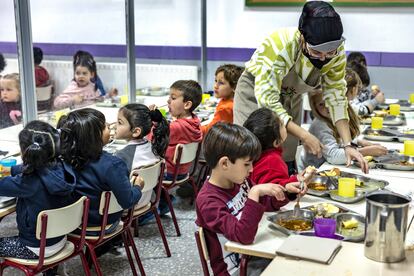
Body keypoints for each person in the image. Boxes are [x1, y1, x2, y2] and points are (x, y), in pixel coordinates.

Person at [232, 1, 368, 174]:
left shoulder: (336, 49)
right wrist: (304, 135)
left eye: (330, 53)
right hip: (255, 93)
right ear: (302, 37)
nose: (323, 58)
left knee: (287, 149)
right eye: (316, 52)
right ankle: (252, 193)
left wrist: (348, 145)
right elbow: (268, 101)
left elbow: (336, 98)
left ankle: (285, 188)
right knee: (253, 148)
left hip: (291, 94)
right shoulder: (282, 44)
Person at [196, 123, 288, 275]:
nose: (251, 169)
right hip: (234, 269)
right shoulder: (208, 201)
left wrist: (286, 192)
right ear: (225, 163)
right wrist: (254, 192)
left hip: (252, 254)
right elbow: (243, 236)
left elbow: (265, 205)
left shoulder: (239, 181)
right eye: (246, 164)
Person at [0, 120, 76, 259]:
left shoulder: (27, 181)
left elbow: (3, 186)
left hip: (35, 247)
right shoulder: (63, 166)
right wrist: (11, 170)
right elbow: (40, 169)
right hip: (60, 239)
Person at [57, 108, 143, 231]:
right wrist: (138, 187)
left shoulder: (64, 160)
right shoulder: (113, 165)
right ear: (94, 136)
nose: (109, 127)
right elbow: (128, 201)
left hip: (69, 224)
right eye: (104, 127)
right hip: (101, 224)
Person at [244, 107, 315, 211]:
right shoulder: (272, 161)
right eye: (281, 124)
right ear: (276, 142)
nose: (283, 122)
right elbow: (272, 196)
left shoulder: (254, 155)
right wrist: (287, 191)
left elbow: (275, 182)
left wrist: (295, 180)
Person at [299, 90, 388, 170]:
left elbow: (339, 140)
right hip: (315, 173)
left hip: (327, 167)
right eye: (321, 104)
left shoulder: (332, 118)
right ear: (315, 107)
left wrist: (359, 142)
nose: (327, 107)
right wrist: (366, 151)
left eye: (330, 102)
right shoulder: (320, 125)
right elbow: (333, 156)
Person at [115, 103, 169, 210]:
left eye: (119, 123)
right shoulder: (153, 147)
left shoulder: (122, 156)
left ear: (136, 131)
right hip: (146, 200)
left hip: (127, 205)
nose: (115, 125)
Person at [165, 80, 203, 179]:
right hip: (184, 170)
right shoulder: (195, 122)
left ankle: (162, 195)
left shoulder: (176, 127)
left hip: (168, 172)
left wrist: (153, 121)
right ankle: (165, 195)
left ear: (187, 105)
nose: (168, 101)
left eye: (173, 98)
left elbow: (153, 137)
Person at [200, 64, 244, 135]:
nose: (215, 86)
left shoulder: (225, 108)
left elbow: (210, 131)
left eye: (221, 83)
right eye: (216, 81)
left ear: (234, 87)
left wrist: (193, 129)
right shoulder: (229, 101)